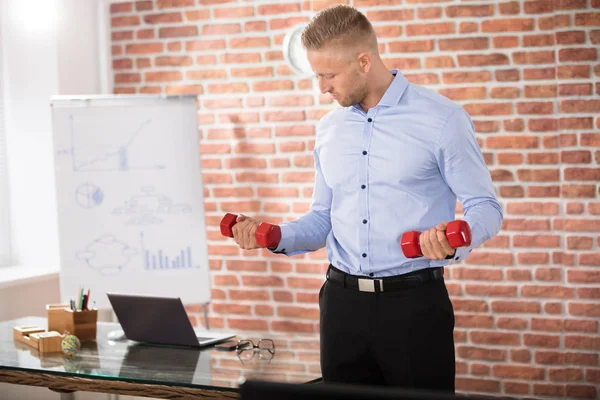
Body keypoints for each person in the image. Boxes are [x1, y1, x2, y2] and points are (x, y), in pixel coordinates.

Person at [228, 4, 503, 393]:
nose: (322, 86)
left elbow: (486, 207)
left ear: (363, 61)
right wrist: (273, 236)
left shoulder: (443, 119)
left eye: (328, 74)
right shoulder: (328, 129)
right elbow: (322, 217)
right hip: (341, 307)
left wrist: (455, 237)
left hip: (414, 306)